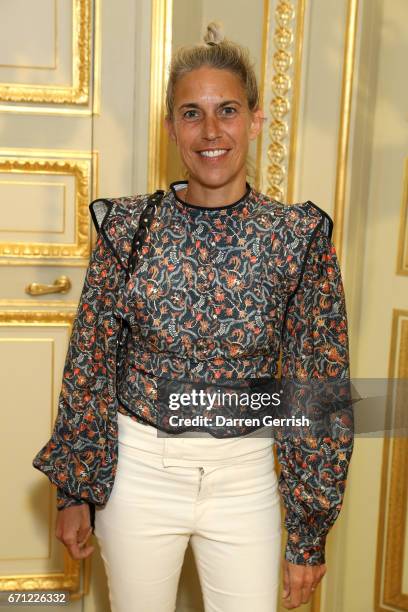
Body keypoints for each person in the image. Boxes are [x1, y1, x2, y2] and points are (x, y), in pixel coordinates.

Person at [32, 22, 354, 612]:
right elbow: (90, 364)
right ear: (170, 127)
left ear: (255, 120)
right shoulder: (127, 231)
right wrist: (74, 488)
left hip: (247, 477)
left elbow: (319, 390)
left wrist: (307, 535)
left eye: (227, 111)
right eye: (191, 113)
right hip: (138, 475)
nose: (211, 132)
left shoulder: (297, 238)